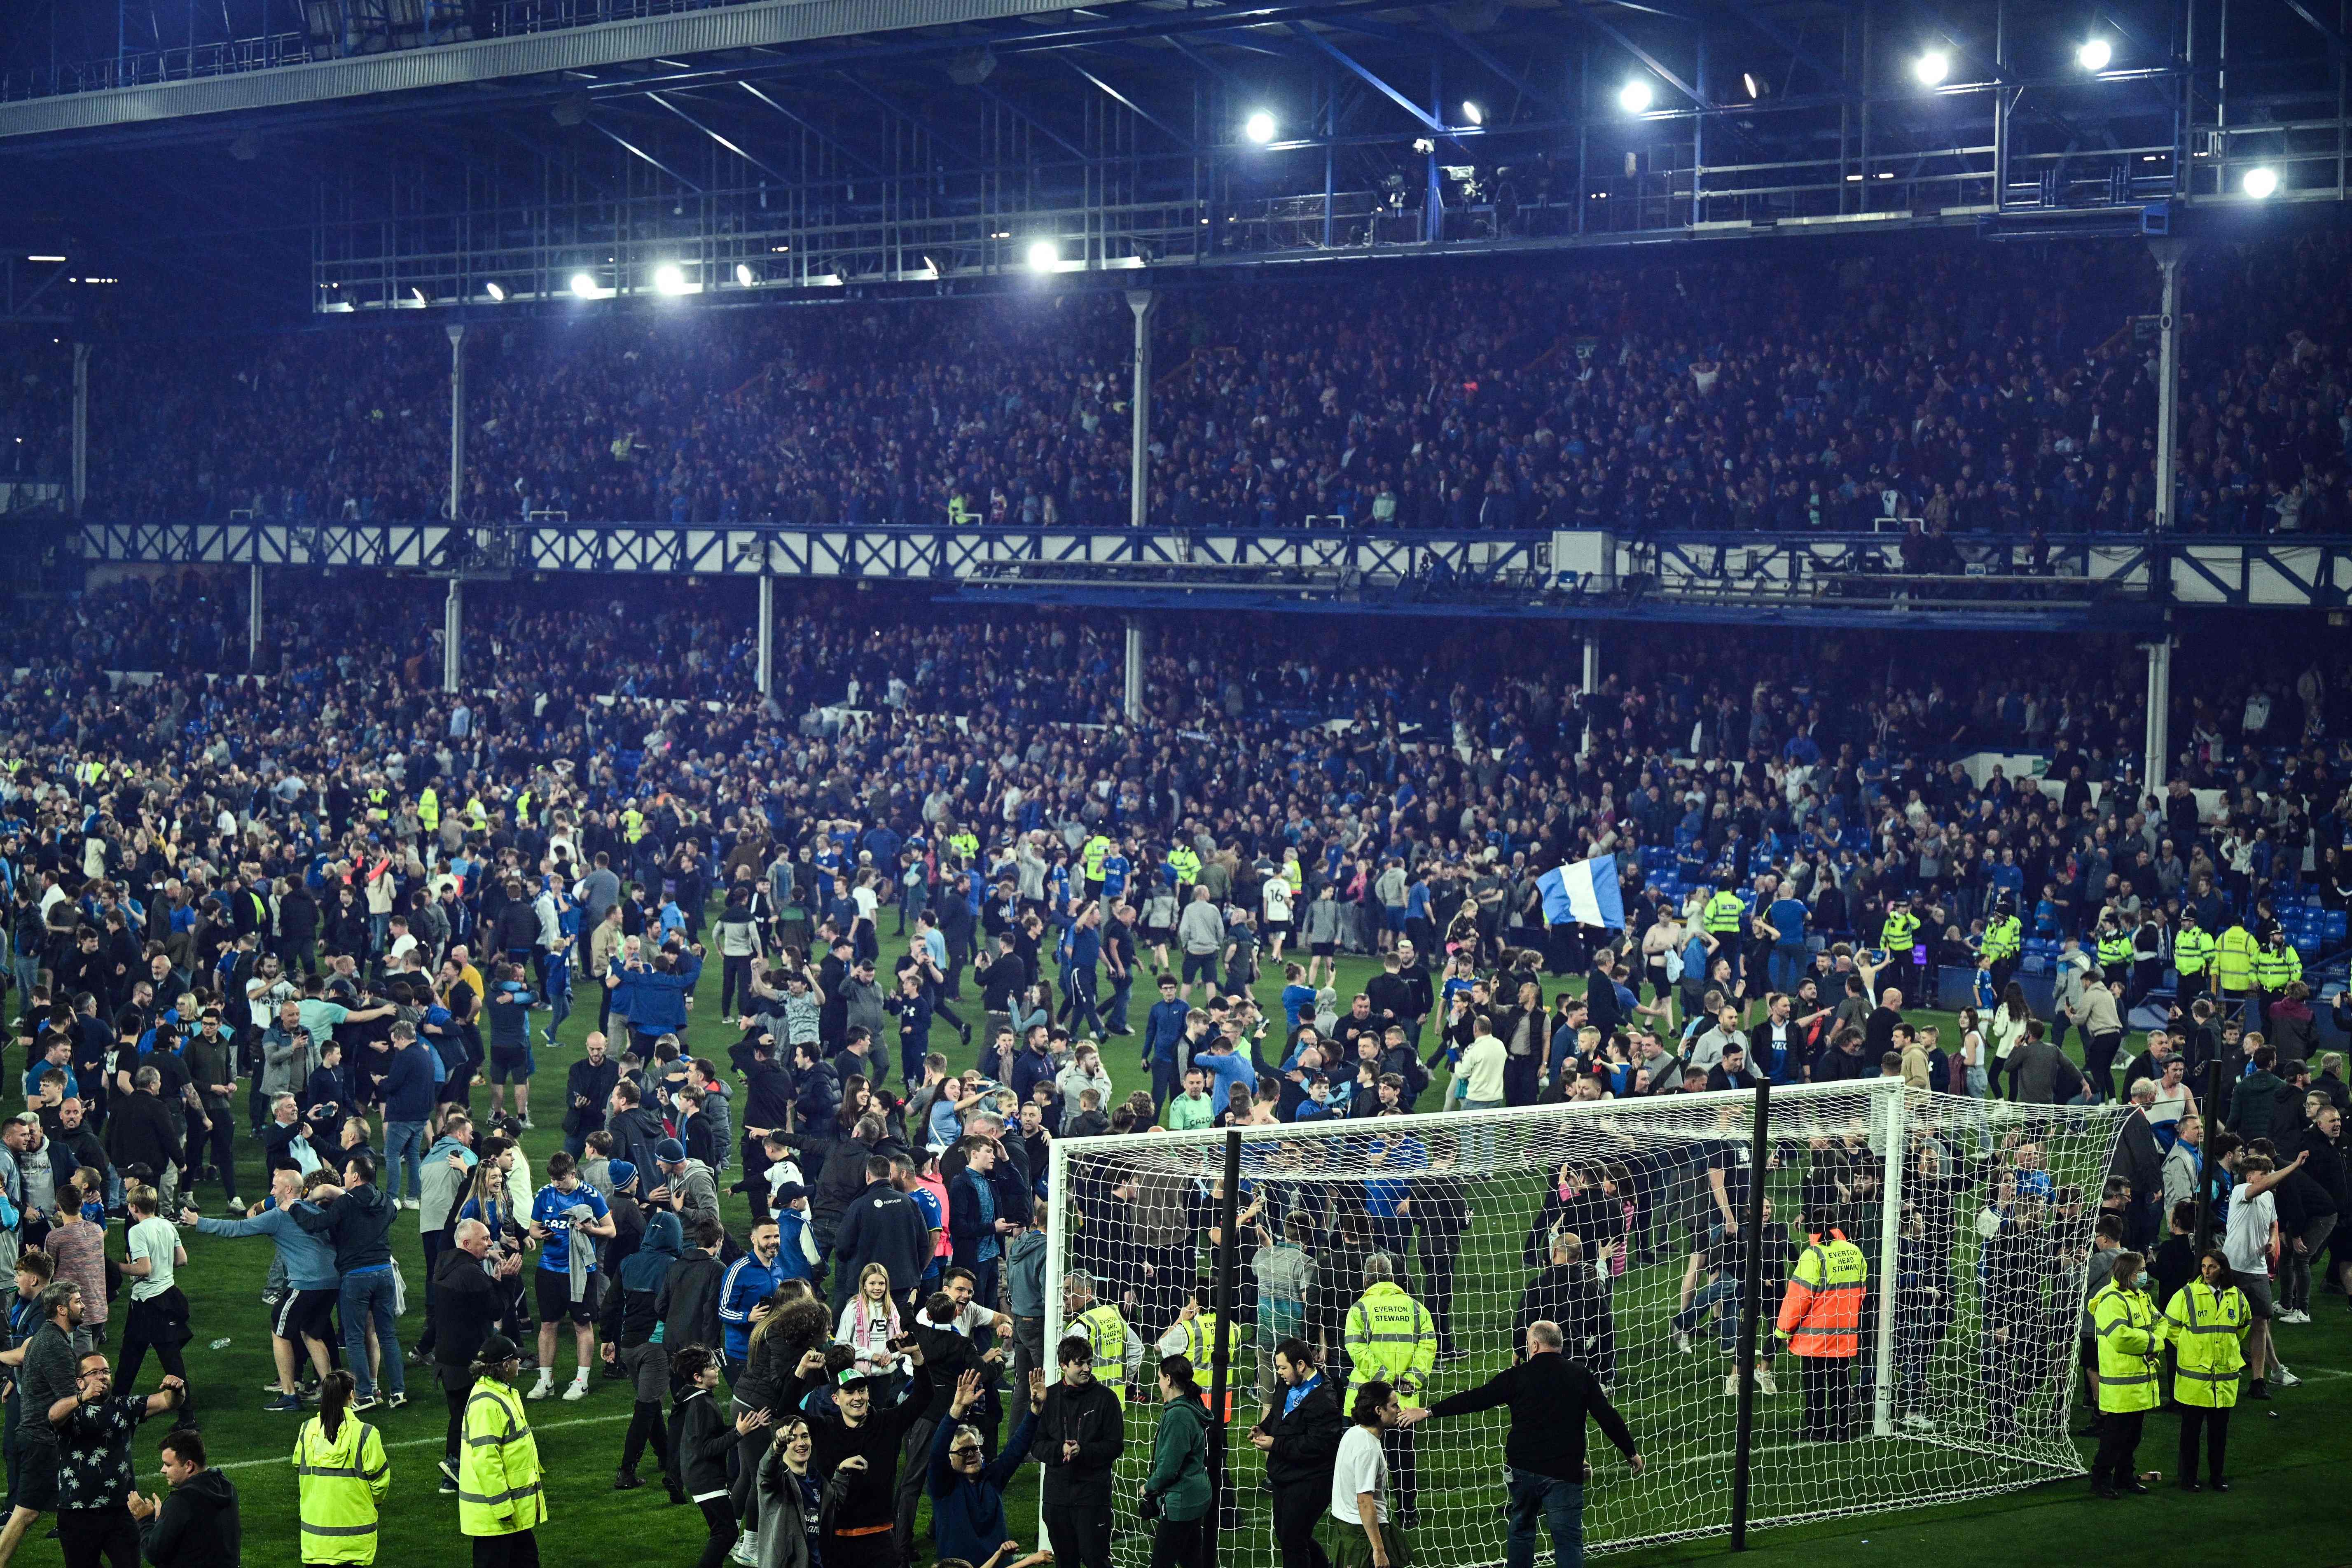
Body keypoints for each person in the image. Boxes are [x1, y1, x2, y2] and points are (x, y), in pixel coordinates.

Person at [1397, 1320, 1641, 1568]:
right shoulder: (1580, 1375)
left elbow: (1475, 1399)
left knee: (1522, 1532)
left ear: (1534, 1345)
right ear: (1559, 1345)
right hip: (1565, 1472)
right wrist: (1630, 1451)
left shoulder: (1517, 1376)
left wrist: (1428, 1412)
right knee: (1568, 1542)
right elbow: (1607, 1416)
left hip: (1523, 1471)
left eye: (1527, 1343)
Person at [46, 1352, 188, 1568]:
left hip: (122, 1510)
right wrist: (82, 1398)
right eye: (94, 1373)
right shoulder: (72, 1412)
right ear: (80, 1382)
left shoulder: (126, 1407)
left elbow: (168, 1402)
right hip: (77, 1513)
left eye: (105, 1372)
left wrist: (178, 1390)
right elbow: (53, 1416)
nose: (102, 1377)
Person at [292, 1152, 407, 1411]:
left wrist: (295, 1207)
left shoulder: (346, 1204)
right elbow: (387, 1217)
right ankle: (398, 1392)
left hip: (356, 1275)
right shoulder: (387, 1202)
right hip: (385, 1272)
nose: (343, 1176)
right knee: (387, 1335)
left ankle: (365, 1394)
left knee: (355, 1338)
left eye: (347, 1172)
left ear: (355, 1176)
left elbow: (315, 1224)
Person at [1340, 1256, 1433, 1528]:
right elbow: (1428, 1346)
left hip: (1365, 1402)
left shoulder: (1360, 1308)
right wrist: (1411, 1377)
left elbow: (1355, 1349)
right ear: (1393, 1277)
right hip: (1403, 1402)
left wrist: (1385, 1379)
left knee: (1360, 1460)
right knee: (1402, 1459)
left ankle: (1359, 1514)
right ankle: (1408, 1513)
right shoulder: (1417, 1309)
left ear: (1367, 1279)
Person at [0, 1280, 87, 1566]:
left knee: (76, 1507)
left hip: (39, 1438)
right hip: (42, 1440)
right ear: (62, 1309)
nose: (83, 1304)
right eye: (76, 1301)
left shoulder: (48, 1337)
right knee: (25, 1514)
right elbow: (67, 1400)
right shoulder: (55, 1345)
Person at [927, 1367, 1042, 1568]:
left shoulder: (993, 1477)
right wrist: (956, 1409)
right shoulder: (943, 1485)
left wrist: (1036, 1409)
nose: (971, 1455)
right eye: (963, 1451)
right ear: (950, 1458)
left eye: (975, 1449)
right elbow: (937, 1452)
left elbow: (1017, 1447)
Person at [664, 1344, 765, 1568]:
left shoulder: (695, 1398)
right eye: (711, 1367)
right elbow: (706, 1448)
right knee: (726, 1533)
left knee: (725, 1532)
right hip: (705, 1478)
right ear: (698, 1377)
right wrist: (739, 1433)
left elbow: (711, 1434)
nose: (717, 1369)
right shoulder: (701, 1404)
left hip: (699, 1475)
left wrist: (748, 1426)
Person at [526, 1150, 615, 1403]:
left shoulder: (590, 1196)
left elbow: (611, 1230)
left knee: (581, 1325)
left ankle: (582, 1382)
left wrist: (590, 1229)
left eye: (561, 1179)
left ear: (573, 1174)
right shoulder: (545, 1194)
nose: (556, 1184)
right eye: (553, 1179)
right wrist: (538, 1234)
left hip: (580, 1273)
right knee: (548, 1325)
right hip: (549, 1270)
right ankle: (546, 1381)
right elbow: (533, 1228)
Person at [2160, 1247, 2248, 1493]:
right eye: (2204, 1267)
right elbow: (2171, 1326)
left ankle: (2217, 1476)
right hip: (2195, 1379)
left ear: (2223, 1269)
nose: (2207, 1272)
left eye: (2212, 1267)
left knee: (2219, 1434)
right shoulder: (2188, 1294)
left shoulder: (2237, 1297)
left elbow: (2242, 1327)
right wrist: (2190, 1347)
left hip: (2224, 1379)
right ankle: (2189, 1478)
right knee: (2191, 1433)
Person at [1033, 1334, 1123, 1568]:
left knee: (1097, 1562)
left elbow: (1115, 1445)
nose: (1087, 1368)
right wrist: (1059, 1449)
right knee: (1065, 1563)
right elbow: (1036, 1445)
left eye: (1089, 1362)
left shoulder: (1107, 1399)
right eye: (1080, 1363)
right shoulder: (1048, 1398)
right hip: (1057, 1498)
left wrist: (1082, 1451)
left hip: (1092, 1497)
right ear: (1064, 1365)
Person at [1251, 1339, 1343, 1568]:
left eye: (1283, 1368)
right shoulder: (1287, 1383)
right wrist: (1264, 1427)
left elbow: (1318, 1445)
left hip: (1311, 1478)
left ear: (1301, 1365)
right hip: (1286, 1473)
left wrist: (1276, 1445)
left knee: (1293, 1540)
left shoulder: (1325, 1399)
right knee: (1287, 1535)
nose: (1279, 1373)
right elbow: (1279, 1415)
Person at [1773, 1213, 1865, 1442]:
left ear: (1810, 1231)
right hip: (1845, 1332)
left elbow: (1798, 1298)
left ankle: (1817, 1429)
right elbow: (1862, 1290)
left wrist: (1784, 1330)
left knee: (1814, 1384)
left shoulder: (1813, 1255)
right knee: (1841, 1383)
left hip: (1815, 1336)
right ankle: (1842, 1430)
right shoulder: (1854, 1251)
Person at [458, 1333, 547, 1567]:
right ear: (506, 1365)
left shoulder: (501, 1393)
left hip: (510, 1512)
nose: (520, 1363)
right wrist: (501, 1507)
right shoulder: (486, 1403)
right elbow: (486, 1461)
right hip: (496, 1517)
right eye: (517, 1359)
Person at [295, 1369, 392, 1565]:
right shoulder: (366, 1433)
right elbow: (380, 1484)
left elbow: (300, 1466)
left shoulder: (307, 1430)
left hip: (316, 1542)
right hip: (355, 1541)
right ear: (352, 1395)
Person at [2087, 1250, 2160, 1498]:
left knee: (2132, 1436)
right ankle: (2100, 1479)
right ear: (2128, 1273)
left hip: (2139, 1381)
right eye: (2141, 1269)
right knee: (2114, 1436)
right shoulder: (2110, 1300)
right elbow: (2120, 1338)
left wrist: (2153, 1343)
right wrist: (2152, 1344)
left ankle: (2124, 1477)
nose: (2144, 1273)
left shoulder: (2141, 1297)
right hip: (2120, 1383)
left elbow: (2161, 1324)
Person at [129, 1427, 239, 1568]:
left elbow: (153, 1553)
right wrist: (165, 1520)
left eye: (168, 1465)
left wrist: (145, 1520)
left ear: (189, 1466)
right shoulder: (227, 1487)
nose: (163, 1470)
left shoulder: (181, 1501)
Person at [1141, 1354, 1212, 1568]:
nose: (1159, 1383)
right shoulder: (1190, 1403)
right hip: (1194, 1496)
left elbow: (1168, 1470)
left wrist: (1148, 1488)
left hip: (1181, 1503)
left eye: (1161, 1378)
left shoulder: (1179, 1416)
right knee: (1192, 1561)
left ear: (1169, 1380)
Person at [1328, 1380, 1403, 1568]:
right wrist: (1378, 1550)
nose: (1399, 1409)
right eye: (1394, 1405)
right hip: (1363, 1534)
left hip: (1347, 1528)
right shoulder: (1368, 1449)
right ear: (1379, 1411)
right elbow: (1364, 1500)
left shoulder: (1353, 1433)